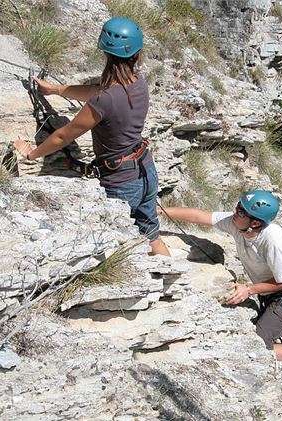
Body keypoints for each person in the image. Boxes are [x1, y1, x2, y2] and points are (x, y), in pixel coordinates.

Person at [13, 16, 170, 256]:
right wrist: (55, 90)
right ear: (137, 55)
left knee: (119, 247)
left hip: (121, 182)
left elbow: (63, 136)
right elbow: (96, 92)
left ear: (105, 53)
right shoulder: (139, 83)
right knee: (151, 234)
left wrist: (32, 154)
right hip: (145, 171)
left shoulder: (104, 99)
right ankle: (168, 283)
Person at [158, 190, 282, 390]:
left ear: (256, 223)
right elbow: (201, 216)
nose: (235, 212)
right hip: (275, 291)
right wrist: (161, 211)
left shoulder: (274, 241)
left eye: (241, 211)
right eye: (238, 207)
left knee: (257, 343)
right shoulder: (238, 224)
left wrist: (249, 289)